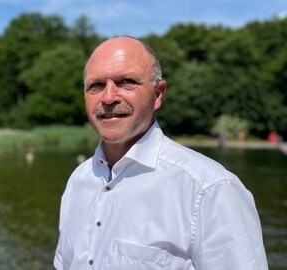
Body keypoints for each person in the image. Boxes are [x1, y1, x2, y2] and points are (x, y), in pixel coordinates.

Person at [53, 36, 268, 269]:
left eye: (126, 82)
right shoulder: (78, 181)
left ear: (158, 94)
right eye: (96, 86)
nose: (108, 97)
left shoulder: (208, 189)